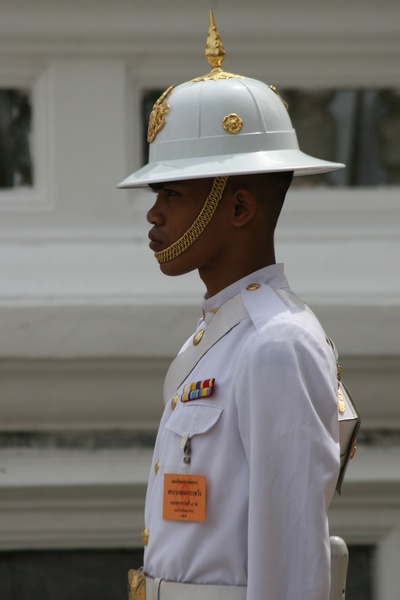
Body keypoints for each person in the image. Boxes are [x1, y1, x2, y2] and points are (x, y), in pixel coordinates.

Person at [119, 10, 344, 600]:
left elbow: (292, 559)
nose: (154, 212)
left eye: (173, 192)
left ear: (239, 208)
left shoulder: (276, 343)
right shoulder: (225, 332)